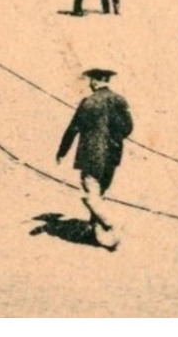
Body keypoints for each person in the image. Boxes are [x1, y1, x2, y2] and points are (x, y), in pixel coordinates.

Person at [56, 67, 134, 250]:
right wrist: (113, 139)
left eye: (91, 80)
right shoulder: (119, 100)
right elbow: (128, 127)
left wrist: (62, 151)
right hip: (112, 155)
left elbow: (73, 128)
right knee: (100, 193)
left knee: (90, 195)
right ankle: (94, 231)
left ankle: (111, 224)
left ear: (95, 81)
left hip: (91, 155)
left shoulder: (89, 102)